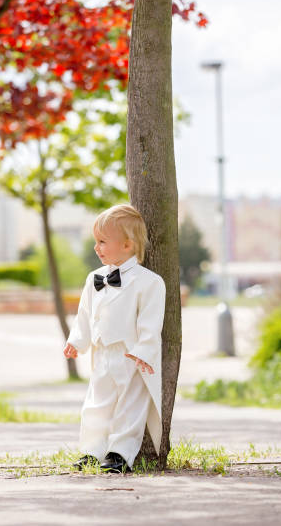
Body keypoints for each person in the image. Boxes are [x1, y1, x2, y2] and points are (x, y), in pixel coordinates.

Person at [63, 203, 166, 473]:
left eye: (102, 241)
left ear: (127, 245)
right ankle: (91, 451)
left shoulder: (149, 282)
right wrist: (77, 341)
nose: (96, 247)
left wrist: (144, 351)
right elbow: (84, 314)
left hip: (131, 355)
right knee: (96, 403)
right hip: (102, 354)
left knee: (130, 408)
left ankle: (120, 453)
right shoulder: (93, 279)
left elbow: (151, 323)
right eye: (96, 241)